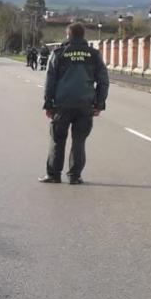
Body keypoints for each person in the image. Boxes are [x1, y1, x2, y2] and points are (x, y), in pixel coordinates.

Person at [41, 23, 109, 185]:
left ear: (68, 35)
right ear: (83, 36)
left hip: (62, 104)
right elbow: (103, 81)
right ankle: (74, 176)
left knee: (58, 139)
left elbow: (50, 81)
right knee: (79, 140)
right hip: (85, 104)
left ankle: (54, 174)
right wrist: (99, 104)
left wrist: (48, 104)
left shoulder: (59, 54)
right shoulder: (94, 55)